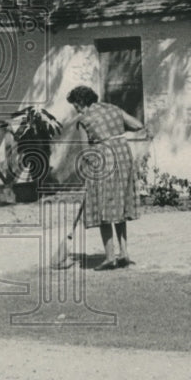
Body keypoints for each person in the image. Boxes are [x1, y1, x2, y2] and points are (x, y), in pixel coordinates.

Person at [54, 85, 147, 271]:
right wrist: (115, 135)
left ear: (81, 103)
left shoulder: (83, 120)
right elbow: (137, 125)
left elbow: (86, 151)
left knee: (103, 207)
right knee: (119, 204)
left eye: (75, 105)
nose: (75, 109)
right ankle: (124, 254)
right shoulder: (113, 109)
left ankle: (110, 257)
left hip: (103, 159)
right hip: (123, 155)